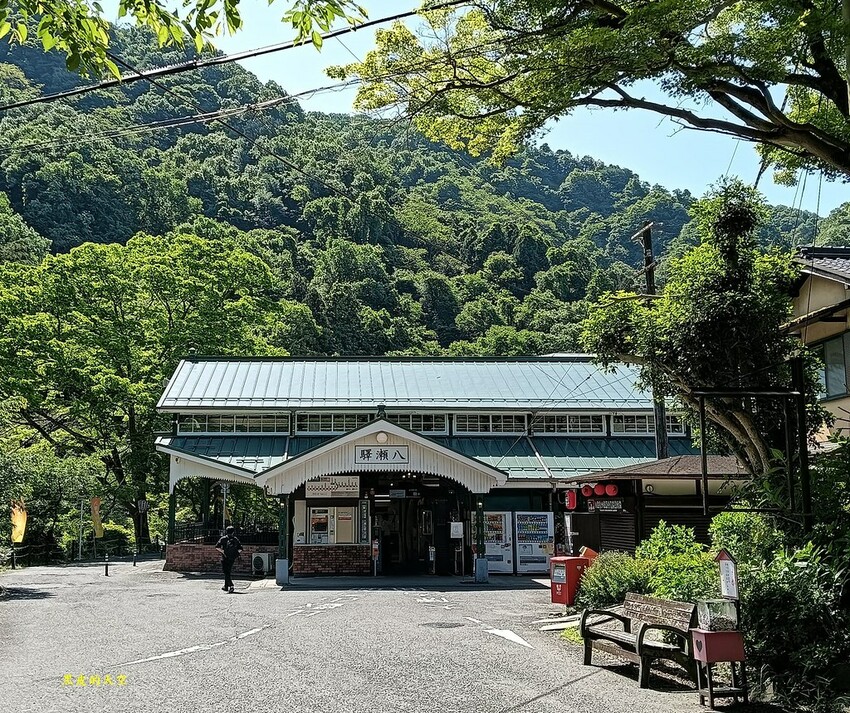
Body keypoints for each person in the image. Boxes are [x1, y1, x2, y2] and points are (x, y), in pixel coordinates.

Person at [214, 525, 242, 593]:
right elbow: (240, 548)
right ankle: (226, 586)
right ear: (233, 532)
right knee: (228, 571)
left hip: (225, 557)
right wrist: (235, 554)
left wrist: (223, 551)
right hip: (232, 558)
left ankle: (231, 585)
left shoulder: (223, 539)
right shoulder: (235, 539)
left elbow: (217, 547)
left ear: (226, 531)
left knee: (226, 572)